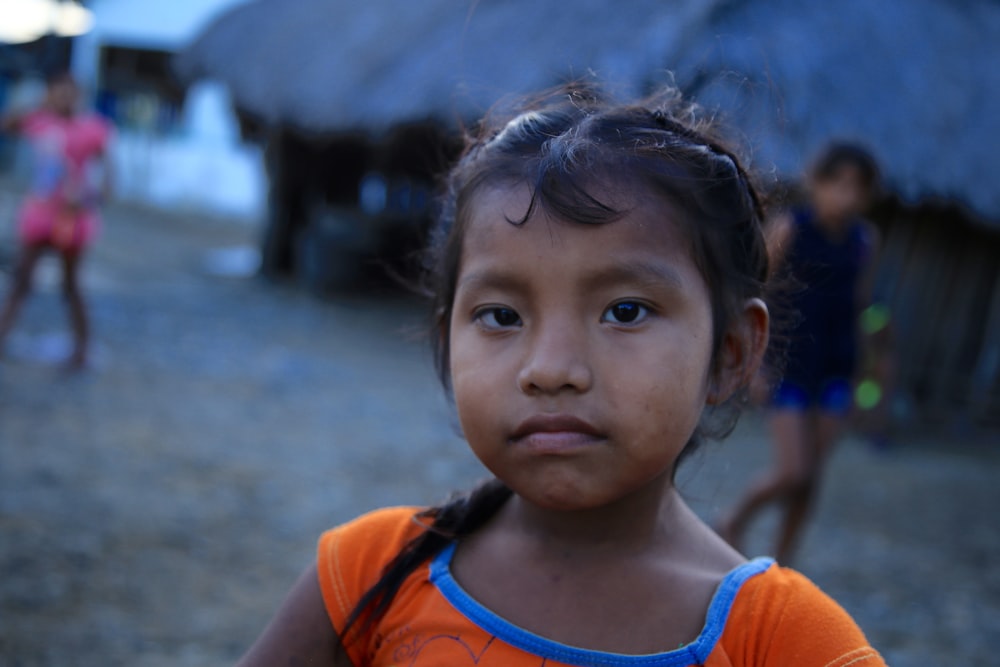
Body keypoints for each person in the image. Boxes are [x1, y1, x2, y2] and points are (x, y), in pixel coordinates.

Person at [237, 88, 885, 666]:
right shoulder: (367, 572)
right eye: (501, 314)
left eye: (624, 311)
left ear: (732, 352)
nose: (550, 369)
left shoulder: (786, 643)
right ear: (446, 340)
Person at [719, 143, 881, 564]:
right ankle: (735, 518)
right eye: (837, 182)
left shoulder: (865, 240)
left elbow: (862, 306)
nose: (844, 194)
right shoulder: (791, 228)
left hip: (837, 365)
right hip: (788, 359)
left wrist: (866, 377)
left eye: (855, 186)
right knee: (795, 470)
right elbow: (756, 292)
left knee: (811, 480)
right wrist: (754, 364)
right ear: (817, 183)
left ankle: (784, 562)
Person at [0, 71, 112, 370]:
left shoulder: (93, 129)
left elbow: (110, 181)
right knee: (21, 280)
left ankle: (82, 350)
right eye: (57, 92)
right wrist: (37, 104)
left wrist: (87, 200)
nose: (63, 98)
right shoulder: (39, 121)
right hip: (39, 215)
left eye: (69, 92)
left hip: (72, 219)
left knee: (71, 285)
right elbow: (7, 123)